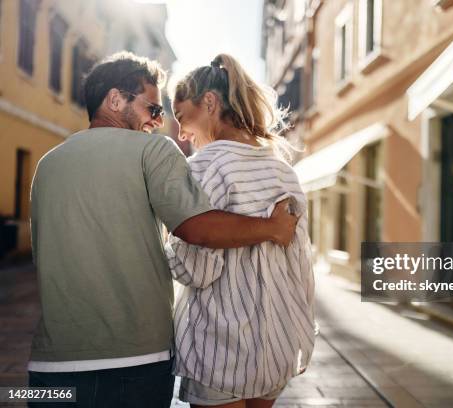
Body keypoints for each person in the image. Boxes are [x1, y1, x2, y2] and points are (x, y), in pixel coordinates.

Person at [27, 52, 298, 408]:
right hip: (134, 361)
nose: (158, 122)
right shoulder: (152, 149)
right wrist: (272, 228)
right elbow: (198, 229)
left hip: (50, 366)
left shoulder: (47, 163)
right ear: (114, 99)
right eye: (153, 109)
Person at [166, 54, 316, 408]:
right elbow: (300, 264)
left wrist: (167, 248)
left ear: (209, 103)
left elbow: (196, 270)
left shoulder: (204, 166)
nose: (181, 133)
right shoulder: (283, 170)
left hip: (221, 344)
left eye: (182, 117)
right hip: (277, 340)